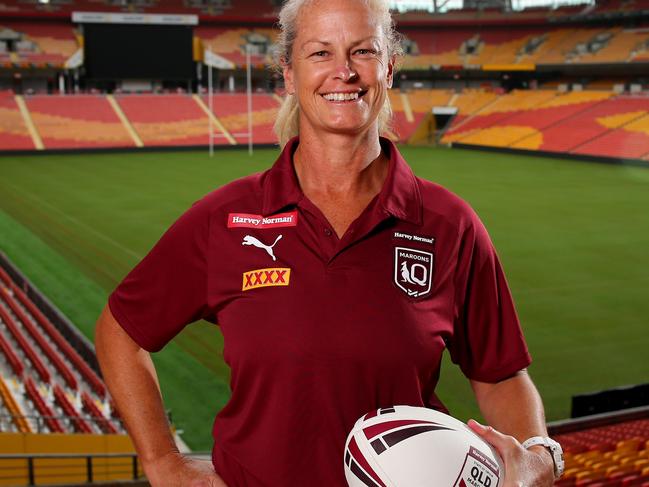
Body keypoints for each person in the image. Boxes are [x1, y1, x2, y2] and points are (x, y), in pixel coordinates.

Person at [94, 0, 561, 485]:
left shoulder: (450, 224)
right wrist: (162, 460)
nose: (343, 72)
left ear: (389, 67)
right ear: (289, 73)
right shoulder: (225, 218)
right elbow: (121, 329)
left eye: (362, 51)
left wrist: (537, 456)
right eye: (320, 53)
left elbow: (502, 375)